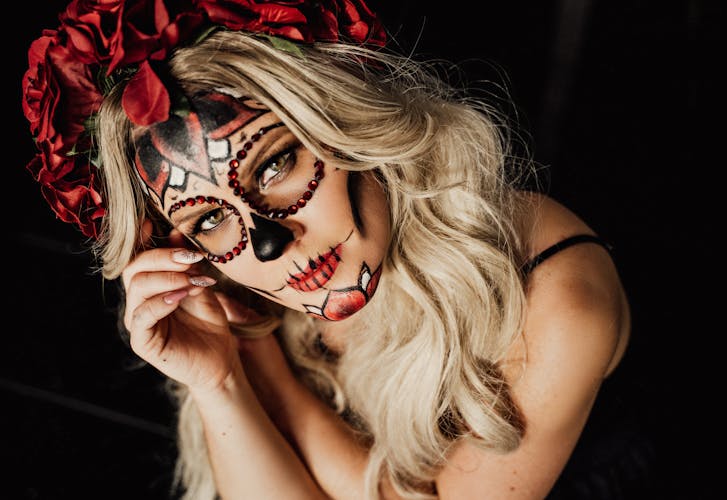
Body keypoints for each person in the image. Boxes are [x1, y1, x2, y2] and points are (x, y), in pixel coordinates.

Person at [21, 1, 655, 498]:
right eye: (208, 218)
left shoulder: (558, 296)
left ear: (347, 122)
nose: (269, 243)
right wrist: (219, 381)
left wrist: (259, 362)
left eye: (274, 167)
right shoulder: (232, 283)